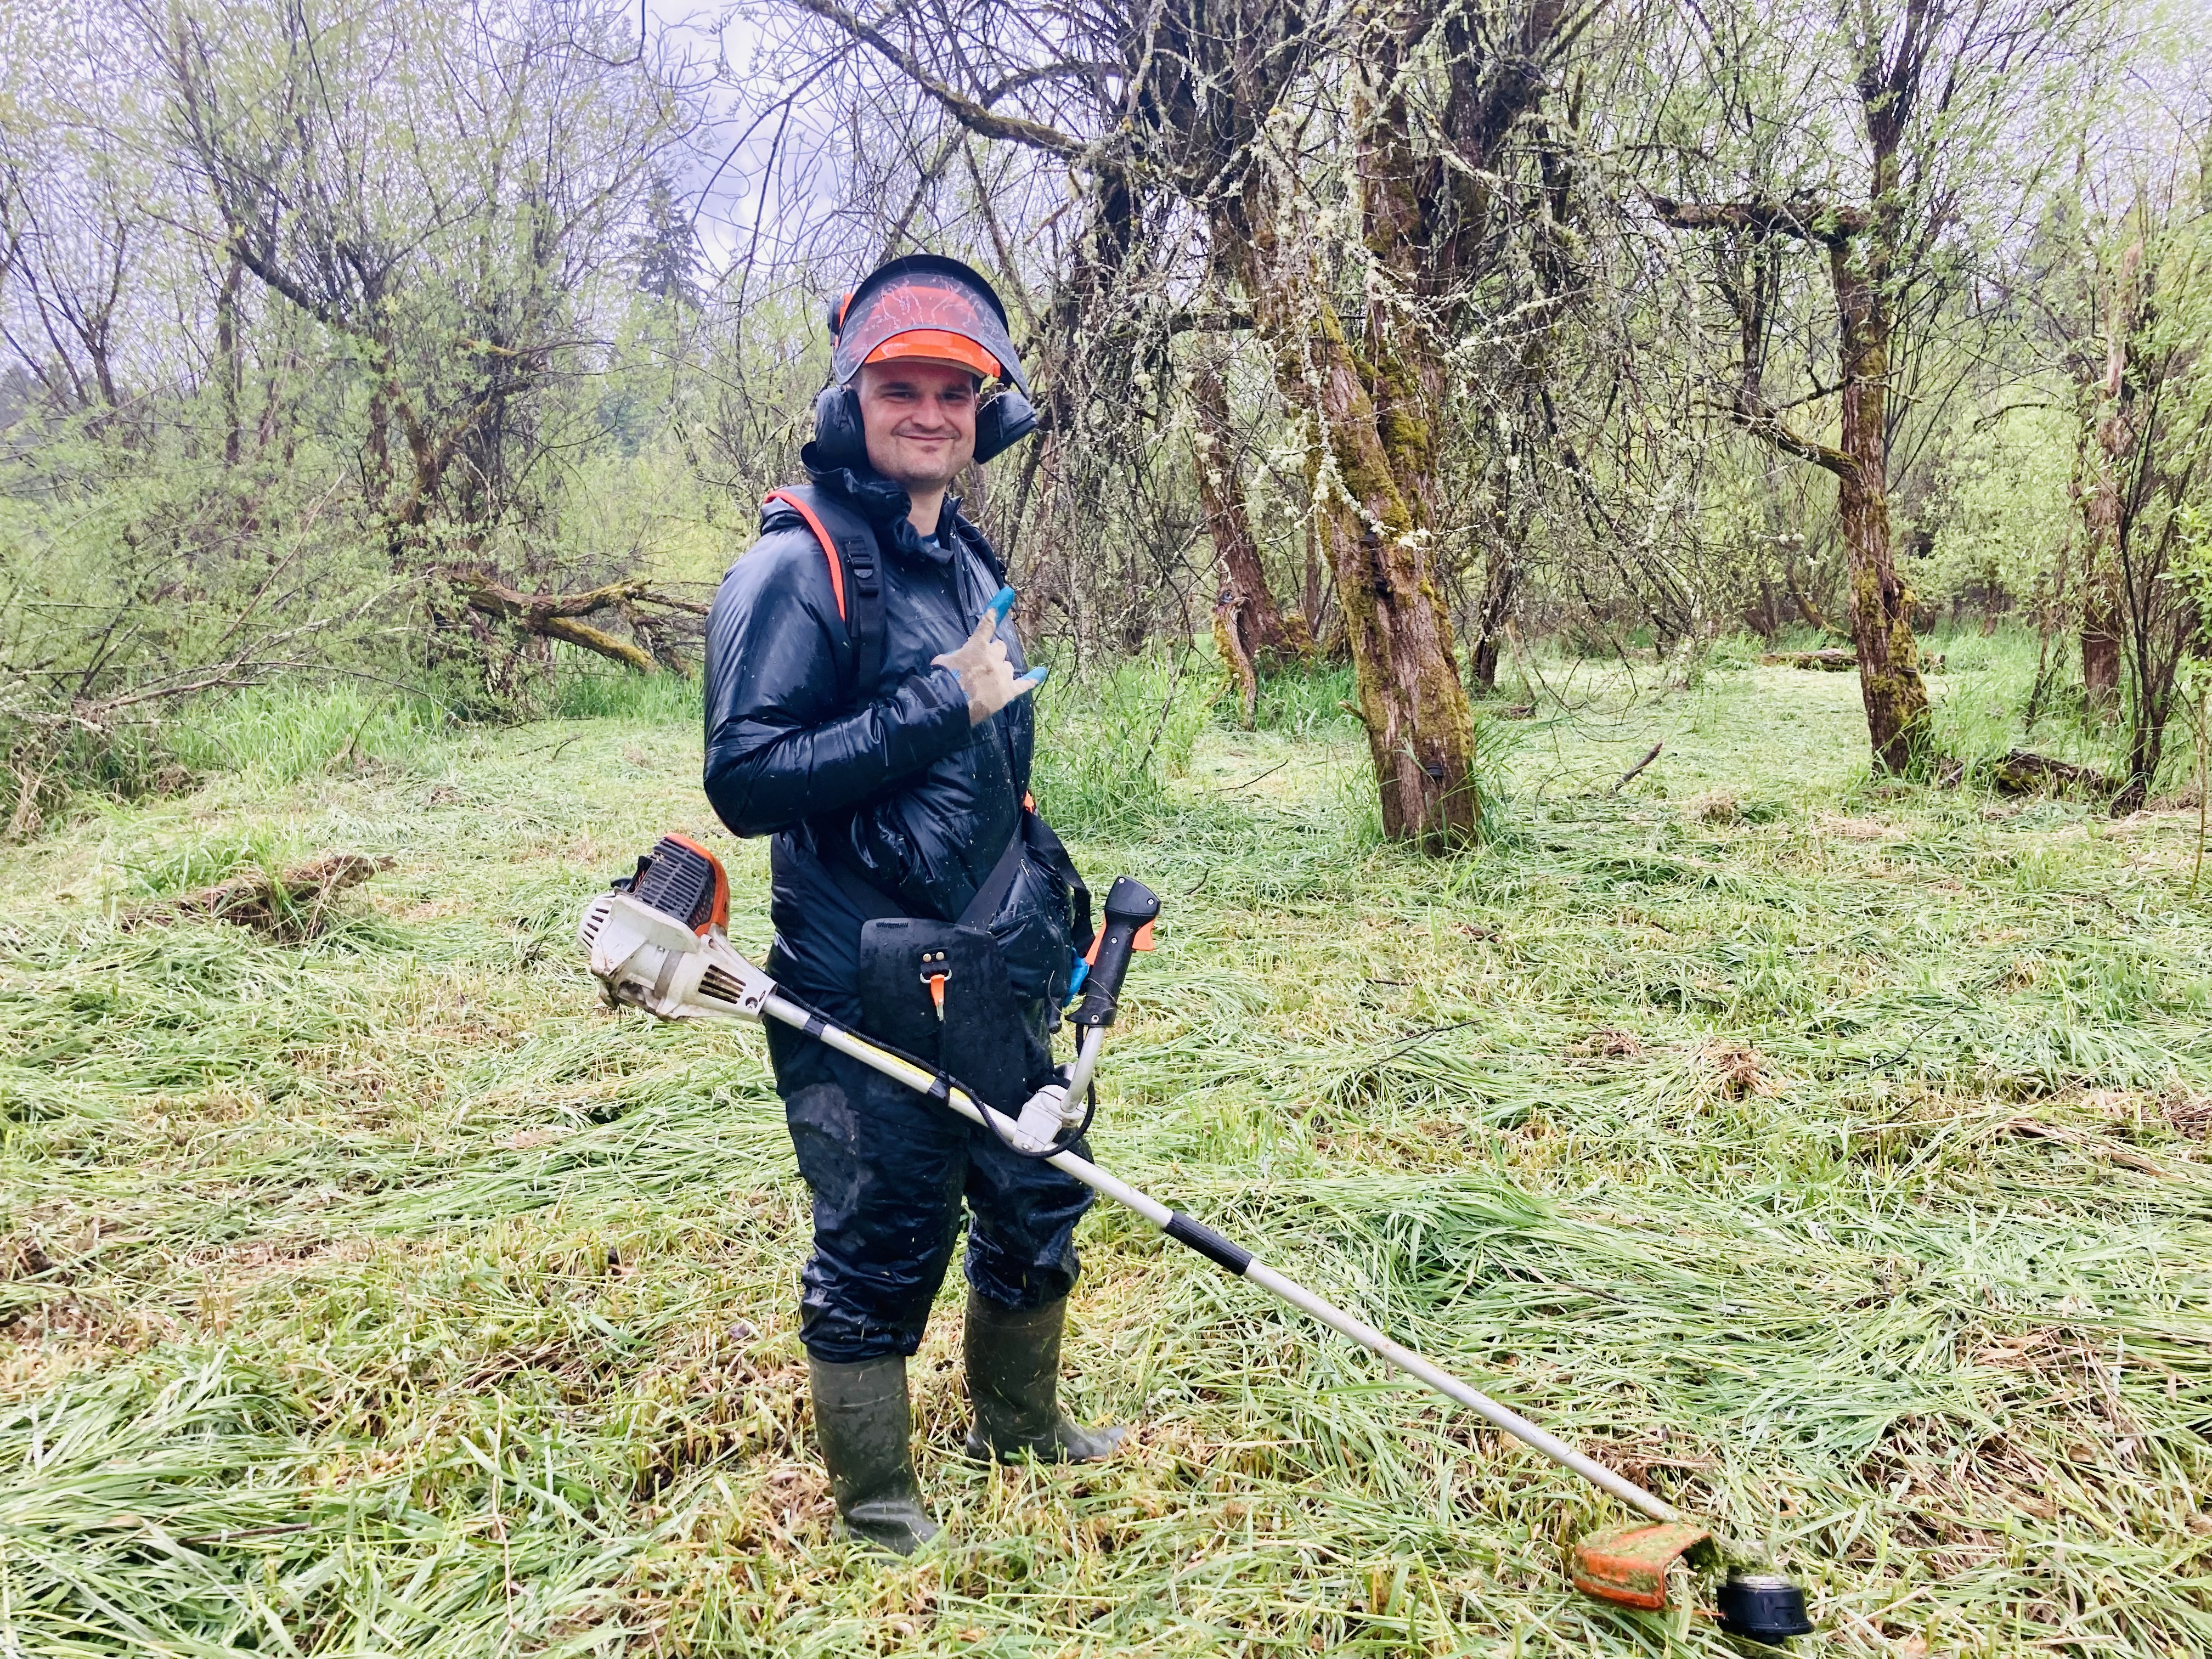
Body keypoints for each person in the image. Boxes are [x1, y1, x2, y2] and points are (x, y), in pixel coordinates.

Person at [701, 256, 1124, 1555]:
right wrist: (939, 700)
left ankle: (1019, 1424)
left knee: (1041, 1188)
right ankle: (880, 1507)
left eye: (956, 388)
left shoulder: (959, 553)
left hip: (993, 965)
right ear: (854, 395)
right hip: (859, 978)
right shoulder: (795, 565)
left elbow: (989, 769)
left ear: (985, 409)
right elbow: (745, 776)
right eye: (903, 386)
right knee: (881, 1245)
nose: (930, 410)